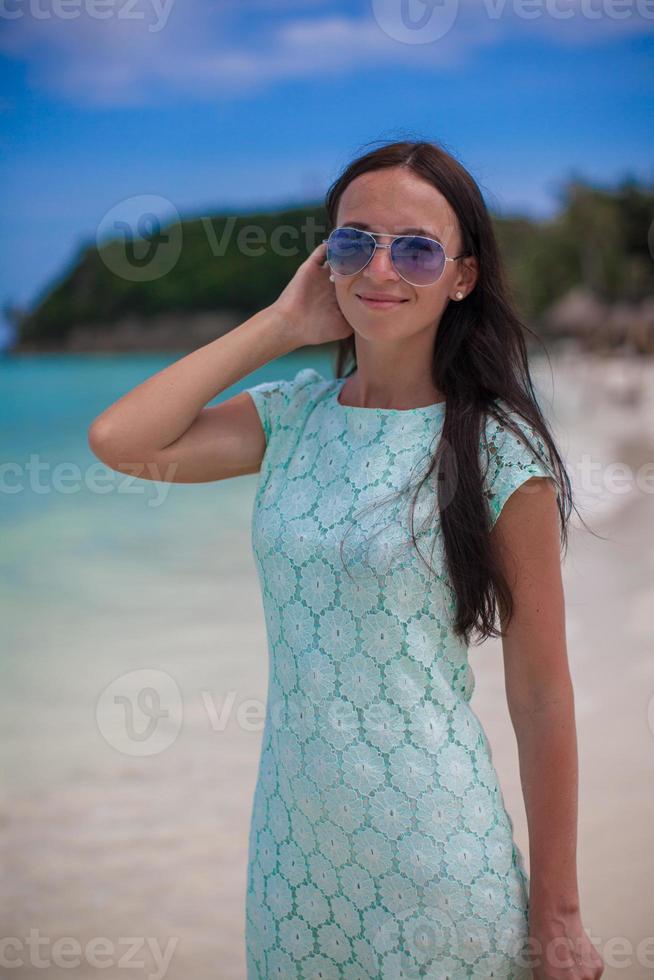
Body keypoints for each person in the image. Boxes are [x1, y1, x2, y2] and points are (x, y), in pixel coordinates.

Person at [88, 139, 605, 979]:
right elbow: (121, 441)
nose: (381, 267)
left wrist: (560, 915)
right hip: (293, 864)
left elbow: (541, 693)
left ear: (463, 275)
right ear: (325, 258)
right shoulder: (290, 418)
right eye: (354, 242)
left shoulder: (501, 452)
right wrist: (281, 325)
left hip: (437, 865)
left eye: (416, 248)